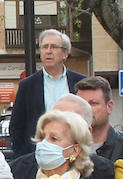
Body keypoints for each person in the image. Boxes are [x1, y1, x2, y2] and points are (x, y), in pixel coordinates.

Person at [10, 28, 86, 158]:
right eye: (44, 47)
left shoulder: (80, 82)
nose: (48, 51)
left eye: (54, 47)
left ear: (65, 53)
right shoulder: (27, 85)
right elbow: (17, 126)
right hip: (38, 154)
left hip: (74, 153)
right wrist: (24, 155)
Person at [75, 76, 123, 166]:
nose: (86, 109)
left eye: (93, 103)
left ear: (109, 107)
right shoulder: (65, 147)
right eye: (81, 104)